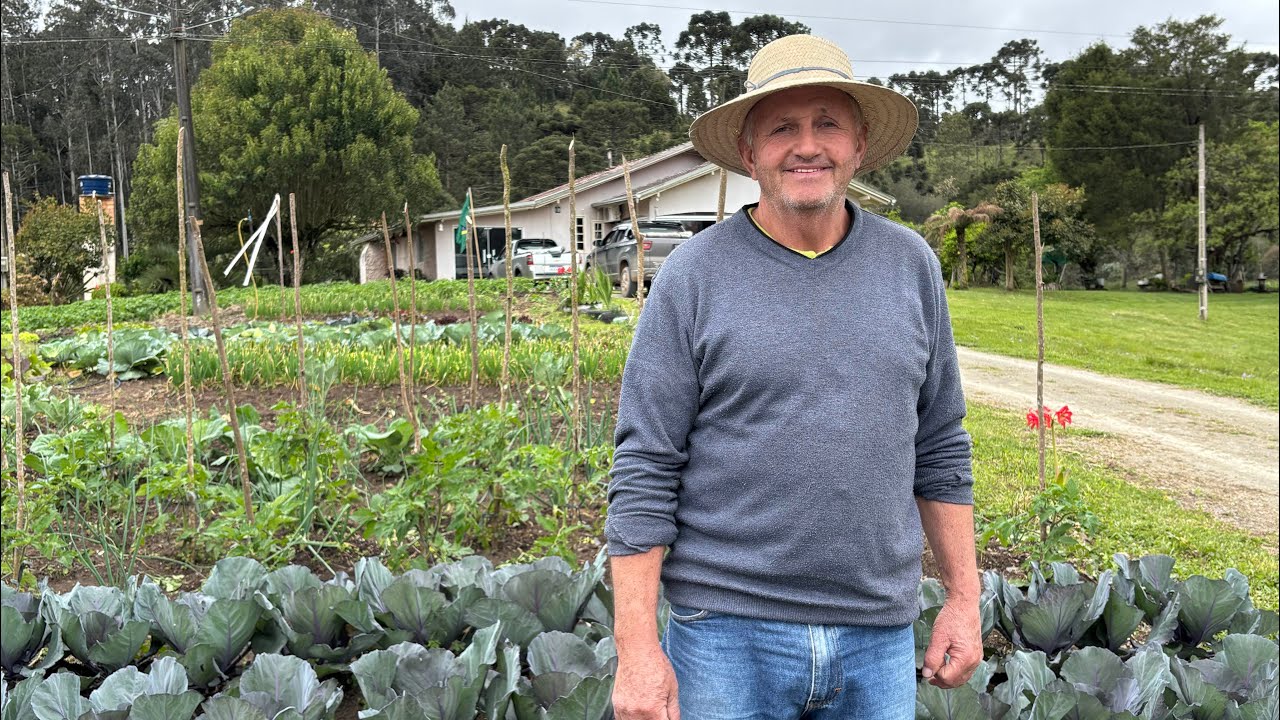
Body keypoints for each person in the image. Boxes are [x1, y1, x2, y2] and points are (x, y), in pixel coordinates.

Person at [605, 34, 982, 719]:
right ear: (749, 151)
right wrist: (636, 649)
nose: (806, 146)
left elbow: (941, 447)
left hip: (878, 635)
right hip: (725, 632)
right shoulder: (694, 276)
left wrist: (963, 599)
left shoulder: (911, 266)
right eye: (782, 127)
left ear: (859, 144)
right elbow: (645, 466)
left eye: (827, 124)